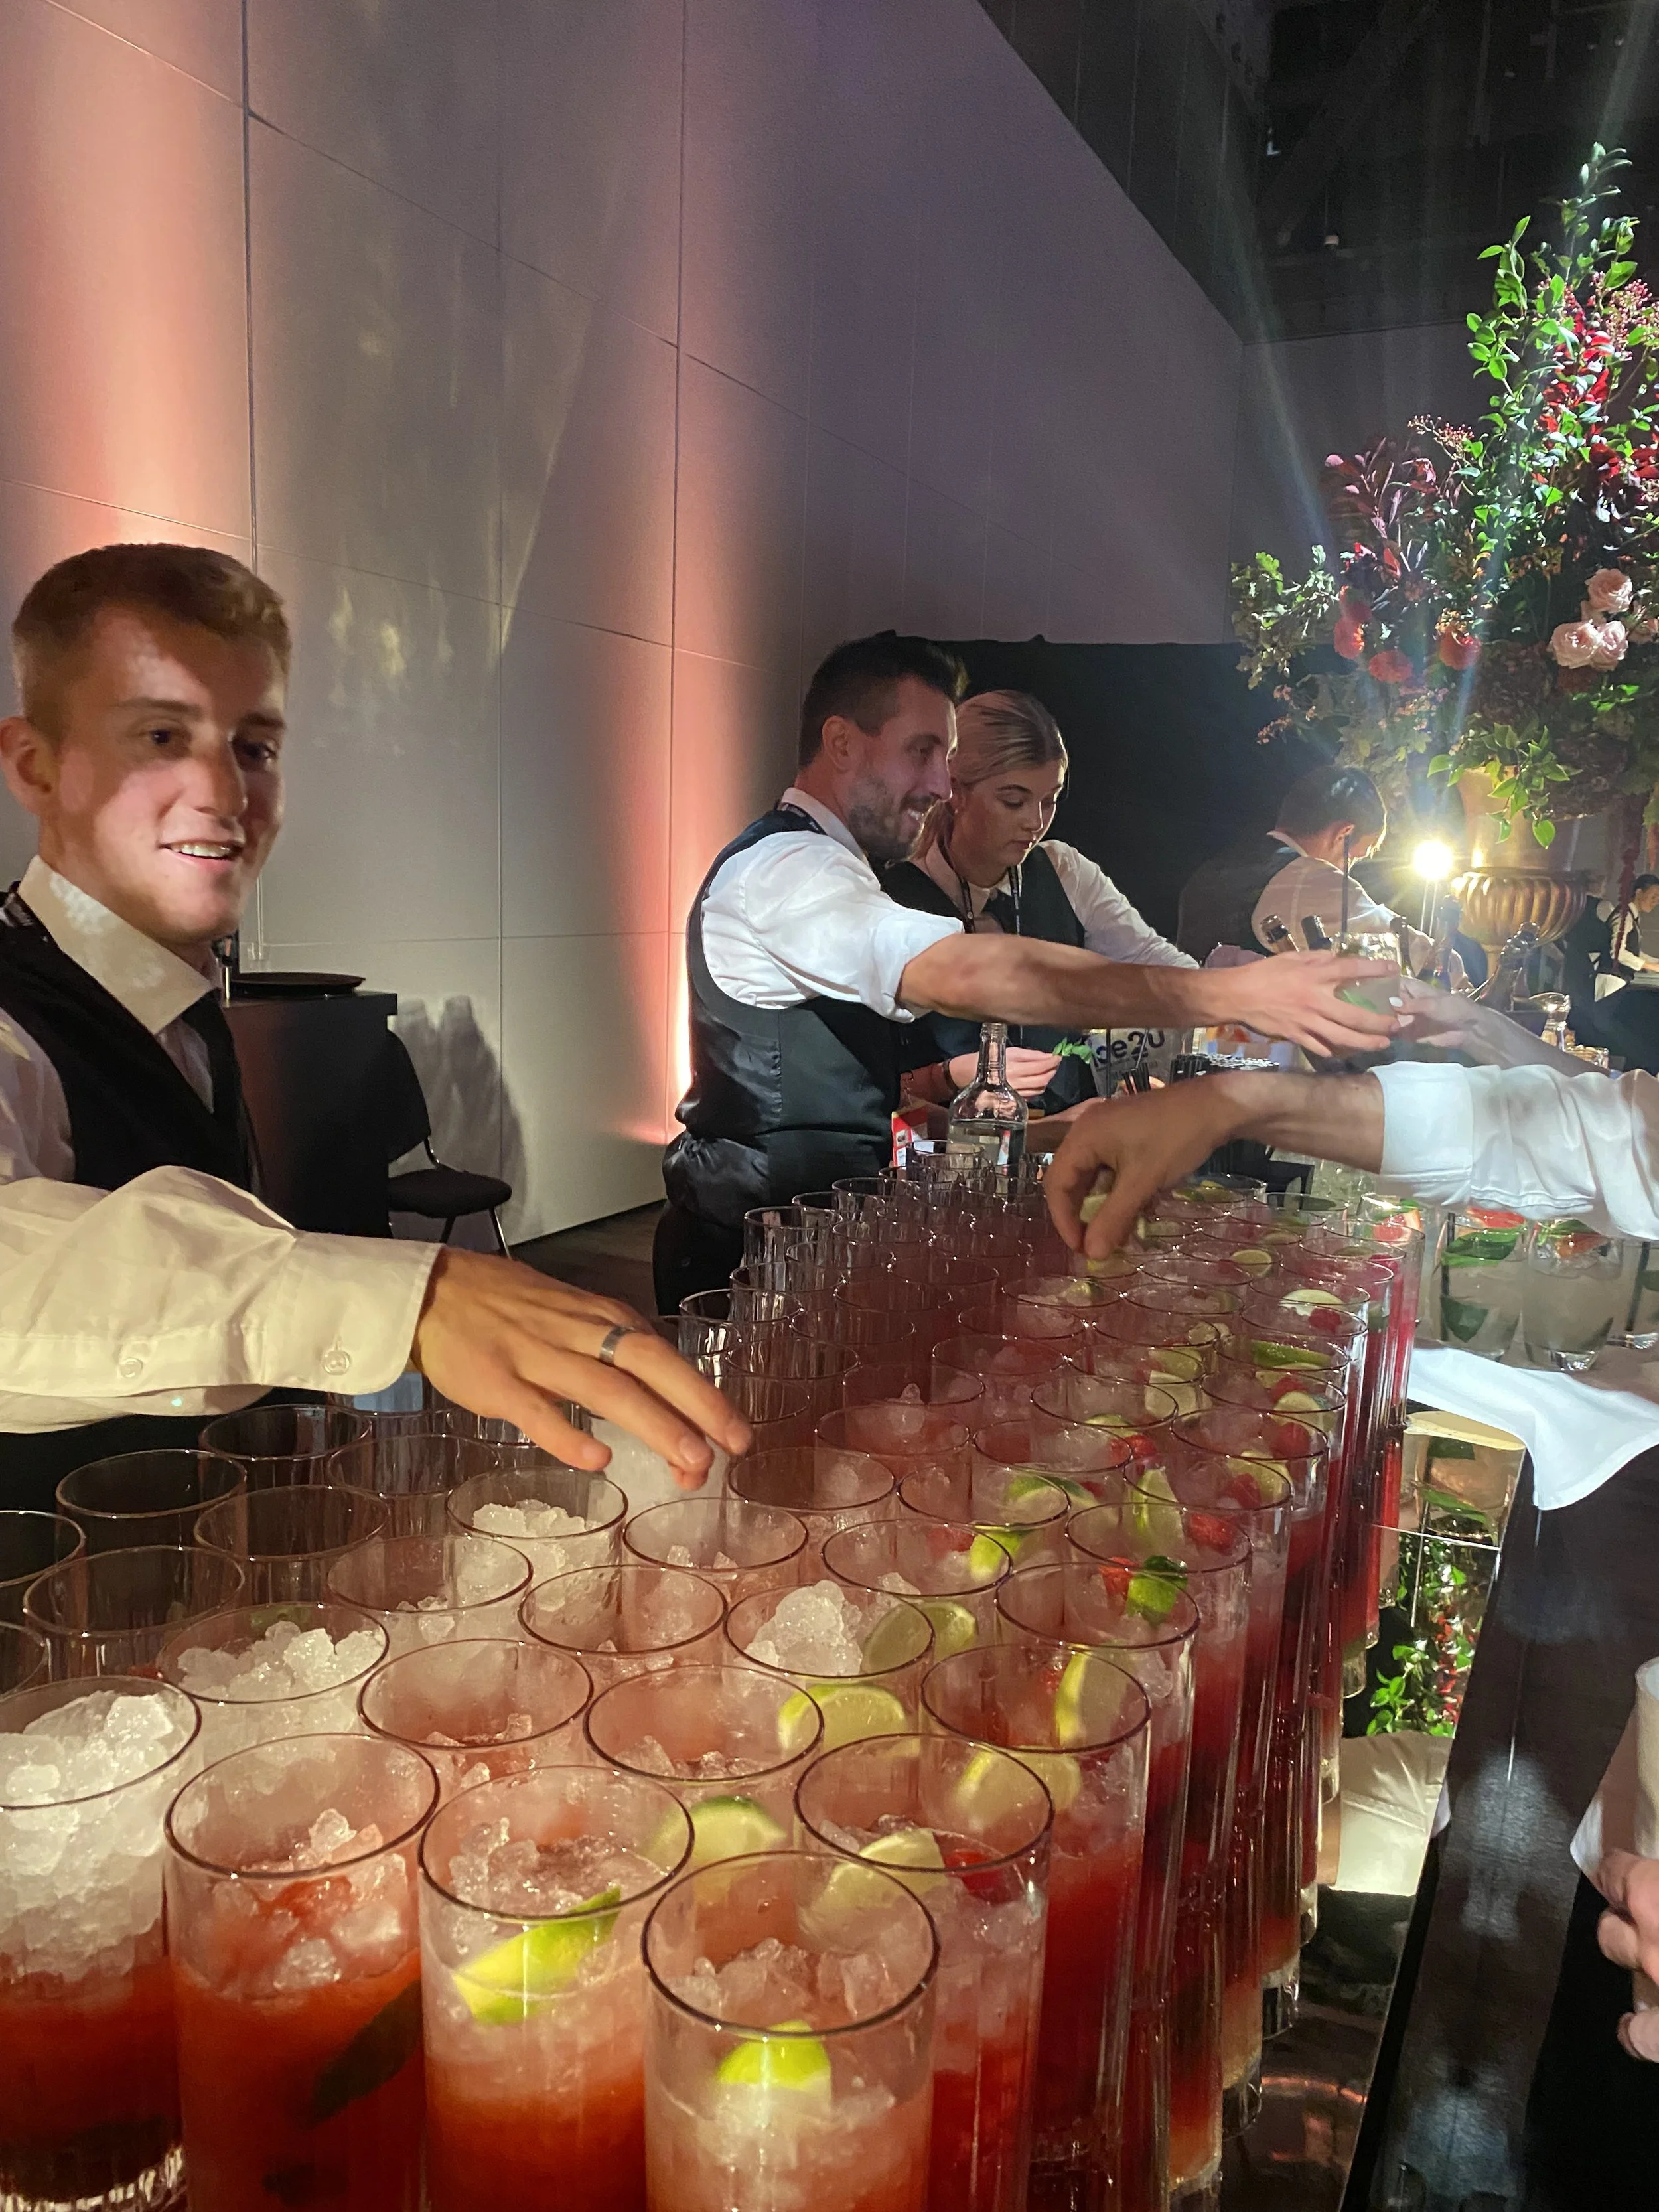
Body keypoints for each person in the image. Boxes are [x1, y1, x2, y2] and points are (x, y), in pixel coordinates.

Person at [0, 544, 747, 1509]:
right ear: (36, 765)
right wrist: (410, 1294)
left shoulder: (181, 1004)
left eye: (254, 747)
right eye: (159, 737)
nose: (226, 796)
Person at [654, 632, 1400, 1313]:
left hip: (827, 1235)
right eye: (919, 753)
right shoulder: (787, 869)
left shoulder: (843, 868)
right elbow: (964, 971)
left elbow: (872, 1100)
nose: (938, 788)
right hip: (753, 1256)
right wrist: (1231, 992)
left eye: (943, 763)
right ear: (842, 743)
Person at [881, 688, 1193, 1118]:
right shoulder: (892, 897)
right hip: (942, 1161)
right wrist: (949, 1074)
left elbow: (1160, 967)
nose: (1035, 822)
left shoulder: (1062, 869)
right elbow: (862, 1088)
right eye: (1014, 801)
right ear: (956, 790)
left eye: (1050, 801)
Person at [1176, 761, 1425, 964]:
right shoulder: (1306, 877)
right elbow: (1418, 954)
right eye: (1355, 856)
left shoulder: (1210, 873)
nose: (1347, 870)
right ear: (1344, 835)